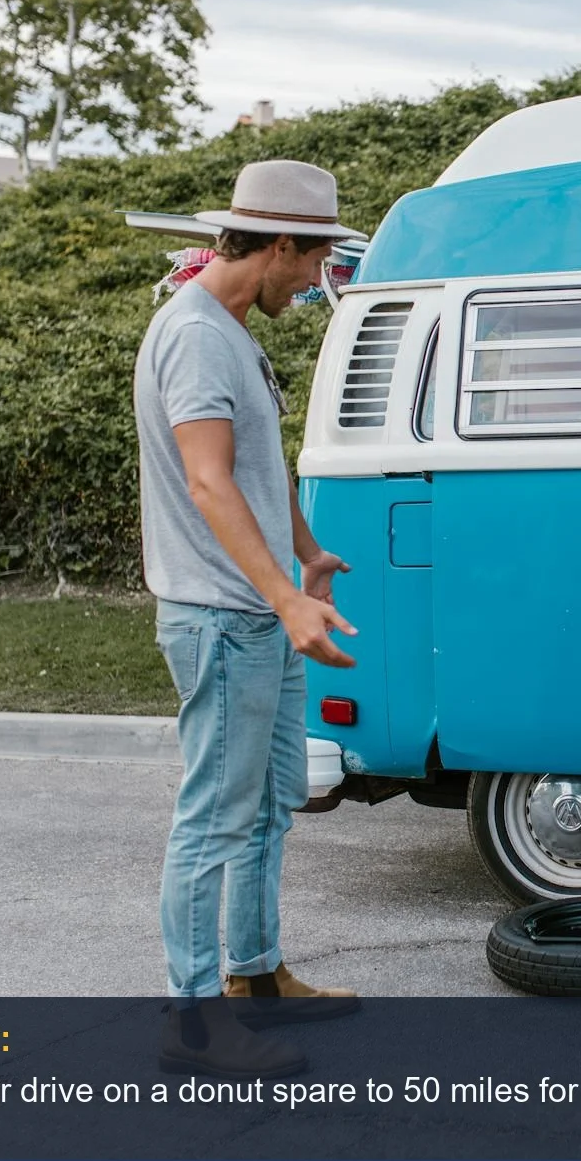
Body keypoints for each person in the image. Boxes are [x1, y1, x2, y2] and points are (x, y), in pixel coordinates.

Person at [135, 160, 369, 1075]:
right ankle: (190, 1022)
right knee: (214, 817)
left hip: (264, 611)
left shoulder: (231, 328)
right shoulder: (194, 334)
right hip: (225, 618)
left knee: (273, 801)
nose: (316, 282)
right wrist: (282, 597)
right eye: (314, 263)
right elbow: (207, 479)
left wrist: (305, 553)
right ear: (277, 246)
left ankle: (256, 976)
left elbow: (258, 467)